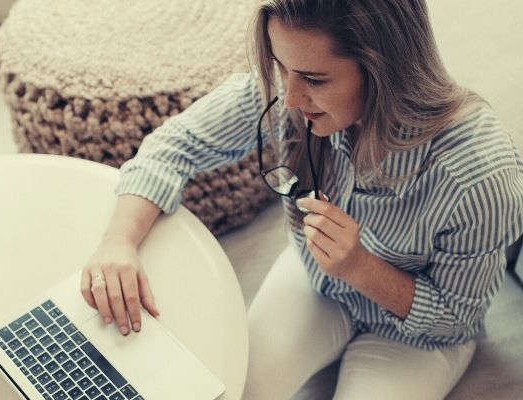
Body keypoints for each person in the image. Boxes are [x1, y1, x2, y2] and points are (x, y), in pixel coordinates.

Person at [80, 0, 523, 399]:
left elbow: (457, 318)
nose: (290, 97)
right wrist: (118, 241)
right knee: (232, 388)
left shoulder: (481, 176)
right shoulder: (287, 92)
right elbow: (173, 146)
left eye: (314, 78)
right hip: (315, 280)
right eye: (281, 67)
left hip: (416, 337)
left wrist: (359, 266)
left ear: (386, 68)